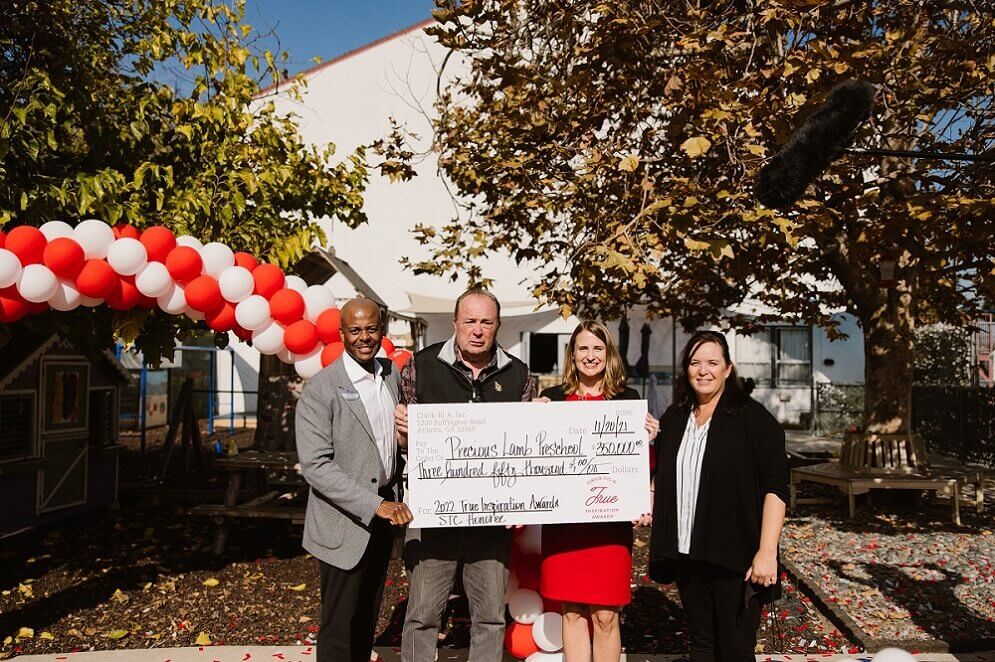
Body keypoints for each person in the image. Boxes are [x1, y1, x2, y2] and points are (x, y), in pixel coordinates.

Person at [394, 288, 535, 662]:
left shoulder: (519, 374)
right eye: (469, 321)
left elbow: (528, 447)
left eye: (486, 322)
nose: (477, 330)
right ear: (455, 323)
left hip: (492, 521)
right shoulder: (419, 366)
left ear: (498, 326)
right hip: (433, 517)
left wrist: (542, 420)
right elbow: (397, 441)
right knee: (423, 614)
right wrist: (402, 430)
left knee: (489, 616)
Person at [649, 330, 789, 662]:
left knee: (736, 650)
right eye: (695, 363)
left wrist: (767, 552)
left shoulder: (753, 420)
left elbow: (776, 488)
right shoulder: (675, 418)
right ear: (685, 369)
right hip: (688, 556)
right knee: (701, 646)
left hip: (736, 559)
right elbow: (662, 479)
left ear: (728, 368)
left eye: (712, 362)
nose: (703, 370)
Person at [294, 298, 412, 662]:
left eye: (371, 328)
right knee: (340, 625)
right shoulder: (322, 389)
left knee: (366, 616)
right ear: (341, 333)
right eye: (356, 330)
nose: (364, 337)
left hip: (384, 514)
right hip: (344, 521)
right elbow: (316, 467)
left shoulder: (391, 374)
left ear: (382, 330)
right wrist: (376, 505)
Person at [535, 320, 657, 662]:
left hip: (607, 526)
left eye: (598, 348)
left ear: (609, 354)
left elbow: (643, 465)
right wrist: (534, 420)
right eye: (583, 348)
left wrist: (649, 438)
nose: (590, 356)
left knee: (605, 616)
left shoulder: (627, 400)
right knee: (571, 612)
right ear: (572, 355)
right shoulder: (553, 399)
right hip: (565, 527)